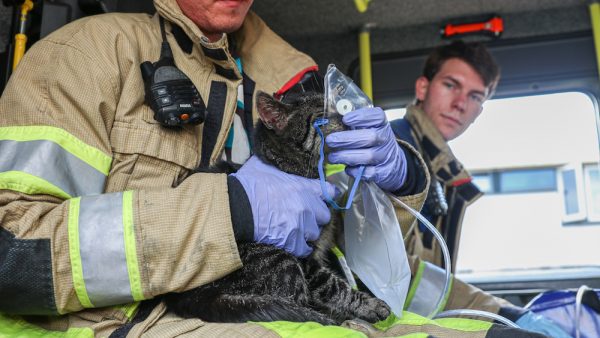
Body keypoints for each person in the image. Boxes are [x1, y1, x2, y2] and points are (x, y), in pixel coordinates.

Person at [0, 0, 551, 335]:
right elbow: (11, 257)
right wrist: (233, 210)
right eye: (452, 87)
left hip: (298, 304)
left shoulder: (296, 84)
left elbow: (372, 261)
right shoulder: (88, 55)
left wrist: (401, 175)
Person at [390, 40, 572, 338]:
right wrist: (502, 313)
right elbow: (389, 275)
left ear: (480, 112)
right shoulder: (397, 152)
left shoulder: (439, 169)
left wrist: (505, 312)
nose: (461, 103)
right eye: (451, 85)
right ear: (423, 88)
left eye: (475, 96)